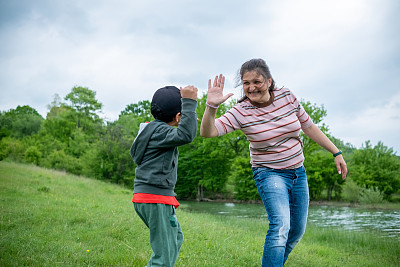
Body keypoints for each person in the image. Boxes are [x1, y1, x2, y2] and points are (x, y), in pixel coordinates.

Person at [200, 58, 347, 267]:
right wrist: (211, 106)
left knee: (296, 231)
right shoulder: (241, 111)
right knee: (280, 226)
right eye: (246, 83)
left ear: (269, 81)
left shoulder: (286, 96)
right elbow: (208, 132)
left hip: (298, 171)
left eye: (257, 81)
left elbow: (309, 127)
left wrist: (336, 152)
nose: (251, 88)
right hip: (268, 172)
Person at [130, 85, 198, 267]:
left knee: (175, 239)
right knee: (163, 258)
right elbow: (186, 135)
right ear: (178, 117)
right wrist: (190, 103)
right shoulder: (160, 132)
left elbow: (183, 132)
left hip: (150, 198)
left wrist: (188, 114)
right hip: (155, 199)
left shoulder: (153, 130)